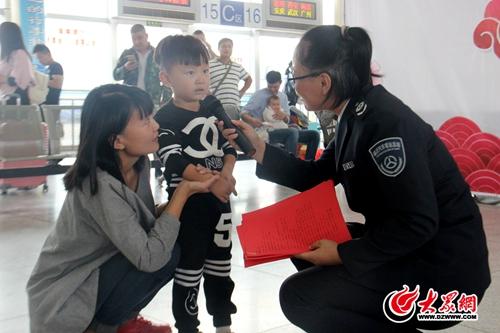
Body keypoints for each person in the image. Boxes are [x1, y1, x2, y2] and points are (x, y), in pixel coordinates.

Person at [221, 25, 491, 332]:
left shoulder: (386, 124)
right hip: (417, 255)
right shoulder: (356, 115)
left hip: (447, 282)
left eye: (295, 77)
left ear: (324, 82)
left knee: (299, 296)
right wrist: (258, 148)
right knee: (306, 244)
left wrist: (341, 254)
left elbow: (417, 223)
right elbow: (317, 175)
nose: (293, 86)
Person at [26, 84, 218, 333]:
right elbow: (151, 256)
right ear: (116, 140)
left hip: (101, 270)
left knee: (182, 230)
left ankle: (122, 321)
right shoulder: (98, 185)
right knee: (166, 255)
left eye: (152, 116)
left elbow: (141, 220)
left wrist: (183, 202)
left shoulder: (139, 164)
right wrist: (182, 193)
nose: (156, 125)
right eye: (144, 121)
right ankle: (105, 328)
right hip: (67, 295)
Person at [154, 35, 238, 333]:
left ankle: (223, 322)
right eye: (189, 73)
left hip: (222, 204)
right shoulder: (164, 117)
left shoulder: (212, 110)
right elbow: (173, 160)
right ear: (166, 78)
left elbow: (228, 149)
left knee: (221, 264)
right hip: (189, 206)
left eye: (204, 70)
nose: (200, 79)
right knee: (190, 268)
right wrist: (212, 182)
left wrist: (226, 174)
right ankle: (188, 325)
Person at [241, 70, 320, 160]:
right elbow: (243, 113)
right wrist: (252, 120)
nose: (272, 89)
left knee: (314, 135)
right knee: (292, 132)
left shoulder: (283, 97)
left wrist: (284, 117)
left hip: (283, 129)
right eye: (269, 86)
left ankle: (307, 166)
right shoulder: (259, 95)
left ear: (280, 83)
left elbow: (287, 119)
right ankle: (289, 166)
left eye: (275, 87)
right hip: (267, 132)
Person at [113, 24, 171, 106]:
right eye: (134, 39)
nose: (137, 41)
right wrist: (125, 68)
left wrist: (165, 100)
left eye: (140, 38)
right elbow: (115, 75)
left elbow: (167, 78)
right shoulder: (127, 54)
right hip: (130, 100)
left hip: (151, 100)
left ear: (146, 36)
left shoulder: (157, 54)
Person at [209, 37, 252, 120]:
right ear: (219, 48)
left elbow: (249, 79)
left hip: (233, 106)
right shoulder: (209, 65)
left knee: (232, 131)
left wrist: (242, 91)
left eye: (229, 46)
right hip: (216, 106)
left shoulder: (237, 66)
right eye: (224, 46)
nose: (227, 49)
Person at [0, 21, 34, 105]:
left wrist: (3, 79)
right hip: (6, 97)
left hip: (16, 100)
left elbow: (16, 80)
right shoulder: (6, 56)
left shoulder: (20, 54)